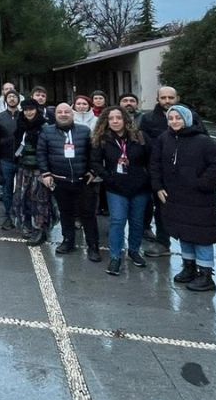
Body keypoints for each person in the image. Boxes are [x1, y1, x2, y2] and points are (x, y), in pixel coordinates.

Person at [150, 105, 216, 292]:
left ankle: (205, 273)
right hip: (175, 195)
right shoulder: (164, 139)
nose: (174, 121)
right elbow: (155, 163)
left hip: (199, 198)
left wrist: (203, 183)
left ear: (187, 119)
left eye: (178, 118)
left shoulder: (203, 141)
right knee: (183, 232)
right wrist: (158, 186)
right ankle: (189, 266)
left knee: (201, 235)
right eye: (171, 118)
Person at [139, 86, 206, 258]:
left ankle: (191, 251)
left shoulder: (192, 116)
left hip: (188, 173)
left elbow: (204, 141)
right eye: (163, 98)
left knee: (189, 212)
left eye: (171, 97)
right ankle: (163, 242)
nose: (167, 101)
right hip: (161, 172)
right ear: (157, 99)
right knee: (161, 210)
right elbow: (143, 145)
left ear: (177, 98)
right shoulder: (148, 119)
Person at [91, 106, 151, 276]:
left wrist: (147, 179)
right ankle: (115, 256)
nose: (115, 121)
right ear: (106, 121)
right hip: (116, 188)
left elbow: (151, 159)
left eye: (118, 118)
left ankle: (134, 251)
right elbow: (95, 162)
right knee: (117, 221)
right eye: (111, 118)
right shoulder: (102, 139)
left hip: (140, 187)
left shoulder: (140, 137)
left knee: (137, 222)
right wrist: (108, 178)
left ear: (125, 119)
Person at [36, 103, 99, 261]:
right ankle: (68, 241)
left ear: (72, 114)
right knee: (66, 213)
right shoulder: (47, 131)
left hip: (83, 180)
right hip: (60, 180)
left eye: (67, 112)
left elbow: (94, 153)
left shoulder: (84, 130)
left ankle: (93, 246)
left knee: (88, 214)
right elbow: (41, 153)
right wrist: (45, 173)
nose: (63, 114)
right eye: (60, 112)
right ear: (55, 115)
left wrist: (93, 171)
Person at [14, 99, 54, 245]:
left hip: (39, 168)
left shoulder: (45, 126)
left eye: (31, 109)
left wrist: (46, 170)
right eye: (25, 110)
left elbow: (48, 149)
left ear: (37, 110)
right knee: (23, 198)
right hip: (23, 167)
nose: (28, 112)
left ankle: (40, 229)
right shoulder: (20, 124)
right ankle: (27, 225)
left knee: (40, 200)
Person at [0, 90, 23, 230]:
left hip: (22, 160)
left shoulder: (24, 116)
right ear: (5, 100)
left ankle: (22, 215)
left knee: (23, 189)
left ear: (18, 99)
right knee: (7, 189)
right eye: (9, 97)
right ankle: (9, 215)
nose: (12, 99)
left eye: (14, 97)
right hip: (5, 159)